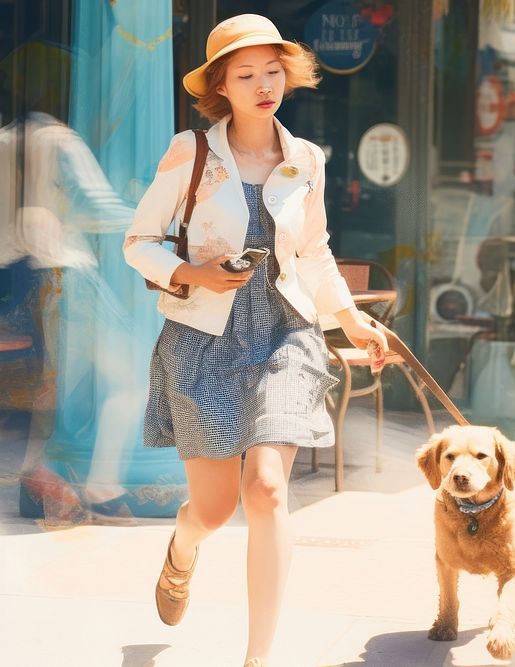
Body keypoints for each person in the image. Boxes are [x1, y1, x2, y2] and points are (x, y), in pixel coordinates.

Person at [122, 15, 387, 667]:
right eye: (246, 74)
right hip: (204, 341)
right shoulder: (191, 154)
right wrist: (192, 272)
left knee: (268, 489)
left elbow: (315, 249)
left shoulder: (306, 160)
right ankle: (183, 548)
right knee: (213, 510)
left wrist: (350, 318)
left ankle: (258, 658)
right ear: (221, 85)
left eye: (273, 70)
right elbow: (138, 243)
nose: (264, 83)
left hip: (284, 336)